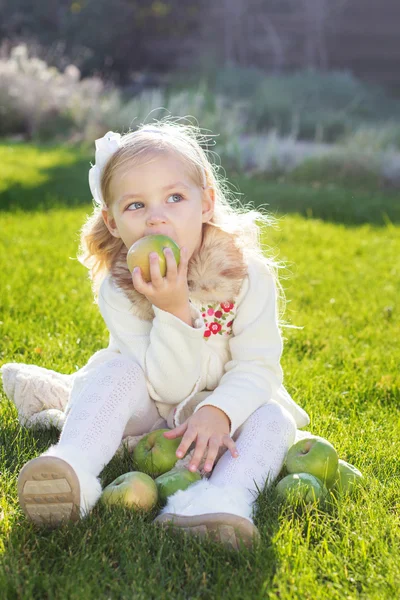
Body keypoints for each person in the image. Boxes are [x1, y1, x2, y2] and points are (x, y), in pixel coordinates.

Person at [1, 120, 311, 551]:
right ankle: (71, 466)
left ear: (206, 202)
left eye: (175, 197)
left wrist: (219, 412)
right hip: (152, 407)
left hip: (226, 413)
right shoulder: (121, 287)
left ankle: (221, 499)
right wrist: (173, 309)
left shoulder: (246, 275)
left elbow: (258, 367)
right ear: (111, 222)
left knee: (273, 420)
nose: (156, 217)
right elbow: (166, 385)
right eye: (135, 206)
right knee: (115, 374)